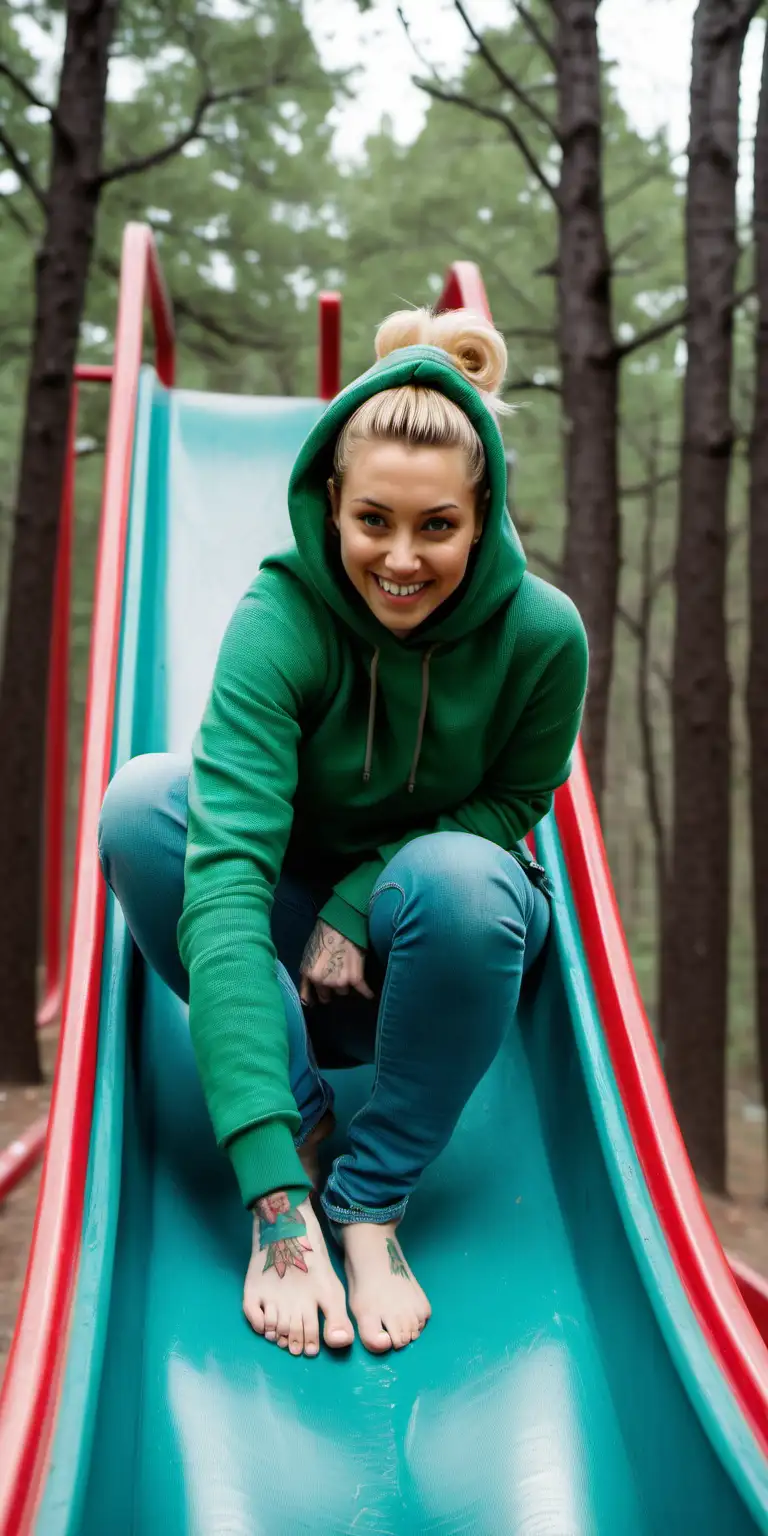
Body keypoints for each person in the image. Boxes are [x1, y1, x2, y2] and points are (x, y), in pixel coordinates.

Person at [98, 307, 588, 1361]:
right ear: (330, 503)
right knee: (143, 803)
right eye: (373, 521)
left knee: (461, 876)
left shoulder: (543, 638)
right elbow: (223, 884)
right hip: (282, 971)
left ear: (482, 512)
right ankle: (309, 1134)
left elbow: (512, 806)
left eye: (438, 527)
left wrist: (359, 904)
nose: (402, 559)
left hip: (436, 962)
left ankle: (368, 1204)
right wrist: (276, 1205)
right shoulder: (278, 623)